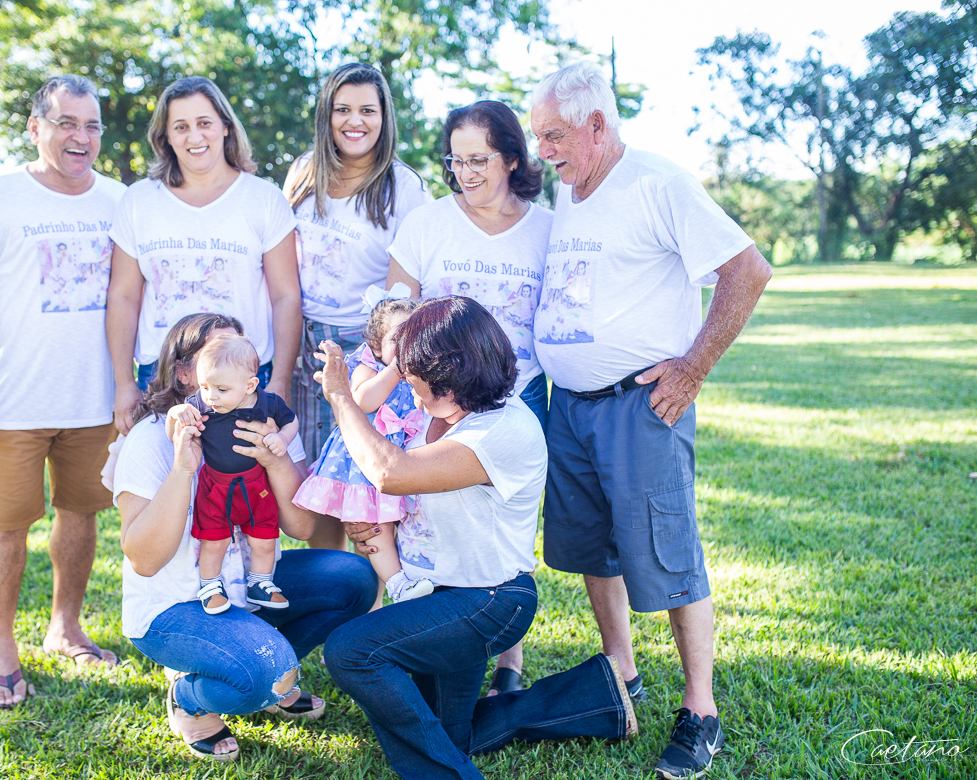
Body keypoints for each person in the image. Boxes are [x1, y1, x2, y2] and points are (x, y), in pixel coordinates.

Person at [530, 61, 773, 780]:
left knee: (669, 552)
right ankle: (622, 674)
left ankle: (701, 711)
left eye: (554, 135)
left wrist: (693, 367)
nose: (543, 150)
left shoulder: (658, 183)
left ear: (596, 125)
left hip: (640, 405)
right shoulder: (569, 187)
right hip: (570, 408)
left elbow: (748, 270)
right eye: (539, 137)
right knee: (592, 549)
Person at [319, 296, 638, 780]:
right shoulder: (434, 414)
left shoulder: (502, 429)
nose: (411, 392)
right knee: (451, 734)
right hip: (434, 594)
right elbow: (396, 491)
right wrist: (370, 524)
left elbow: (389, 472)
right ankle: (596, 695)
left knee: (350, 650)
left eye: (416, 381)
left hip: (486, 601)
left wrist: (342, 397)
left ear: (451, 378)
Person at [0, 74, 126, 708]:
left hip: (94, 398)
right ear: (35, 127)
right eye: (67, 123)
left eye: (92, 125)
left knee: (81, 515)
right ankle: (1, 648)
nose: (81, 137)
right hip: (7, 403)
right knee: (6, 526)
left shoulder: (120, 200)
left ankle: (65, 628)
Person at [115, 312, 378, 761]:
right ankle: (190, 696)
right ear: (185, 374)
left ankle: (268, 663)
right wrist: (183, 469)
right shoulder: (151, 438)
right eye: (216, 354)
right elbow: (144, 559)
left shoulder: (266, 422)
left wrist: (274, 458)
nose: (231, 363)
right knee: (263, 673)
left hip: (250, 585)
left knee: (353, 578)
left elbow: (302, 528)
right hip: (175, 605)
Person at [384, 100, 552, 693]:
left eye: (479, 159)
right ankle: (429, 636)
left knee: (504, 529)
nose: (466, 172)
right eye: (456, 161)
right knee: (427, 517)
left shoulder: (547, 228)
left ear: (512, 158)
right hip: (436, 399)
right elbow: (394, 311)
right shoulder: (427, 223)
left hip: (517, 398)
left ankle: (509, 664)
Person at [283, 63, 430, 550]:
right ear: (326, 115)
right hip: (306, 340)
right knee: (320, 478)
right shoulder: (305, 171)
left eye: (368, 110)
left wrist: (383, 356)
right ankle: (332, 581)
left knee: (363, 484)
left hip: (365, 347)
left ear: (384, 117)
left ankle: (373, 595)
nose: (355, 121)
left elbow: (407, 285)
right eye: (342, 109)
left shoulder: (403, 186)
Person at [107, 75, 301, 435]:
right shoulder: (138, 201)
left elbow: (286, 297)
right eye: (181, 126)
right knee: (162, 471)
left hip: (244, 377)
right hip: (161, 375)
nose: (194, 137)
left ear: (225, 127)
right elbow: (123, 297)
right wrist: (123, 383)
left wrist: (281, 380)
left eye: (204, 123)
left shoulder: (264, 199)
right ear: (165, 136)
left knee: (240, 470)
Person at [292, 291, 432, 603]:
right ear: (376, 345)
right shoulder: (367, 365)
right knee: (373, 527)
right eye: (398, 338)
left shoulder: (420, 373)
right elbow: (364, 401)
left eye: (413, 337)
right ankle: (397, 583)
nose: (406, 345)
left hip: (400, 462)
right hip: (363, 466)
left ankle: (382, 600)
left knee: (396, 529)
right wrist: (395, 370)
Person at [164, 334, 299, 614]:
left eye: (221, 389)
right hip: (215, 487)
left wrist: (283, 439)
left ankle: (261, 583)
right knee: (214, 541)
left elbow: (291, 421)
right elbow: (172, 434)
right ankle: (210, 586)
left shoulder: (268, 404)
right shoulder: (199, 405)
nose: (211, 396)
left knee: (264, 539)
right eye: (204, 386)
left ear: (250, 385)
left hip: (256, 485)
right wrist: (175, 414)